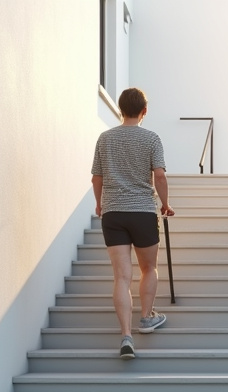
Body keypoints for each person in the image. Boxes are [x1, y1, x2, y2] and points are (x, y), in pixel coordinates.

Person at [91, 87, 175, 359]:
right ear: (144, 111)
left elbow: (96, 178)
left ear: (120, 109)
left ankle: (126, 335)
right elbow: (159, 176)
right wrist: (165, 204)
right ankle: (147, 317)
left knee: (121, 276)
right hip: (142, 212)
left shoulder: (105, 138)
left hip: (114, 214)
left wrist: (99, 204)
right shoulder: (151, 138)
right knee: (149, 268)